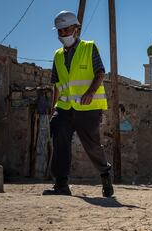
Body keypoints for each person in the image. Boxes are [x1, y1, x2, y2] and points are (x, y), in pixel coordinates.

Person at [43, 11, 113, 197]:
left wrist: (90, 92)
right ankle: (61, 184)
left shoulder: (89, 47)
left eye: (67, 29)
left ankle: (105, 174)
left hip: (88, 108)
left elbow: (100, 73)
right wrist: (53, 108)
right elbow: (56, 84)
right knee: (60, 139)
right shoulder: (57, 55)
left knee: (91, 145)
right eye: (60, 31)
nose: (63, 34)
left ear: (76, 29)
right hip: (64, 108)